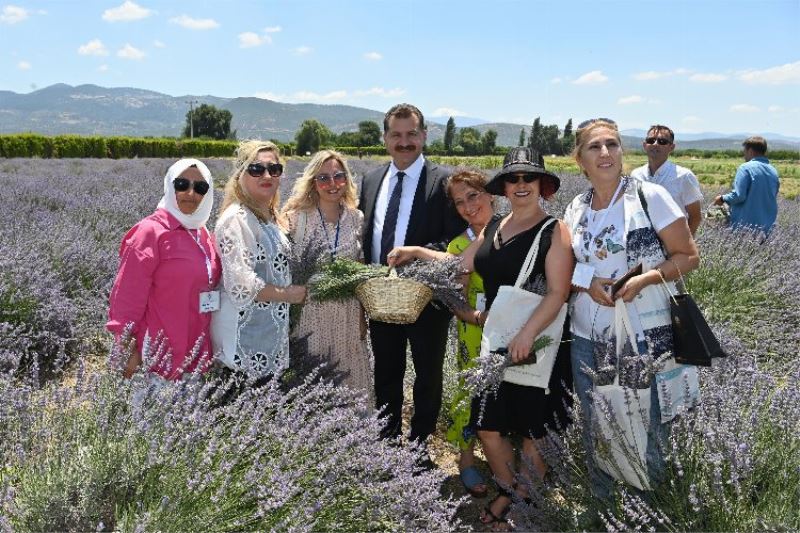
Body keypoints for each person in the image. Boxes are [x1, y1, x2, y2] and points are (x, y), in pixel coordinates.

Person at [388, 147, 574, 529]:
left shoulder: (554, 230)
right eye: (513, 179)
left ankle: (522, 500)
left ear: (542, 185)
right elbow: (459, 264)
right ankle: (509, 488)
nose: (520, 185)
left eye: (529, 178)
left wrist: (527, 334)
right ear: (503, 187)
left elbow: (558, 292)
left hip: (536, 343)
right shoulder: (496, 227)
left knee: (532, 431)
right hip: (497, 341)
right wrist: (416, 253)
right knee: (489, 426)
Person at [564, 118, 700, 496]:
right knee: (598, 424)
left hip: (641, 334)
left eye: (612, 144)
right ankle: (605, 504)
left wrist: (645, 279)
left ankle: (650, 505)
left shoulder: (649, 197)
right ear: (580, 160)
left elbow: (688, 256)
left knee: (646, 422)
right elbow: (565, 267)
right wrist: (586, 283)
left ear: (622, 151)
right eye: (595, 147)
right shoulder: (575, 208)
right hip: (586, 336)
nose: (605, 153)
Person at [358, 103, 465, 453]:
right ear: (385, 138)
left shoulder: (443, 182)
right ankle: (387, 446)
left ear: (423, 135)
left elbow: (457, 241)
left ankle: (419, 449)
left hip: (427, 300)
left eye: (411, 135)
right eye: (396, 135)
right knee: (386, 372)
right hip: (382, 296)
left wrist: (417, 252)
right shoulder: (372, 179)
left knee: (428, 375)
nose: (404, 142)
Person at [107, 158, 221, 380]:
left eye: (200, 187)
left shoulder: (203, 234)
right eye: (182, 184)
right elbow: (126, 297)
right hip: (153, 357)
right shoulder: (150, 232)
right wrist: (127, 348)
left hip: (194, 355)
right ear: (170, 185)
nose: (190, 193)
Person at [281, 149, 372, 401]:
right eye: (323, 178)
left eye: (339, 177)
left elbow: (360, 271)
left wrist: (363, 316)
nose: (332, 184)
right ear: (313, 182)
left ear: (347, 180)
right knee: (312, 384)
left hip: (347, 315)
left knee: (351, 384)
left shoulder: (356, 218)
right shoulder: (295, 219)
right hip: (311, 315)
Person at [211, 140, 306, 382]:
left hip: (268, 337)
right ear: (241, 173)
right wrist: (289, 295)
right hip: (244, 342)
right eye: (257, 169)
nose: (267, 175)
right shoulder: (238, 219)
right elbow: (241, 285)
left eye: (274, 169)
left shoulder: (268, 216)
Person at [442, 170, 495, 498]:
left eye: (473, 195)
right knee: (471, 392)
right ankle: (466, 460)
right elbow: (454, 299)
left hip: (518, 330)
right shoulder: (458, 244)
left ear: (490, 194)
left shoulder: (516, 232)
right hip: (475, 331)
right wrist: (477, 317)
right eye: (459, 202)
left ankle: (503, 457)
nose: (467, 205)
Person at [631, 124, 704, 236]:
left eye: (662, 141)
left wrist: (684, 244)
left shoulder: (684, 176)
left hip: (674, 245)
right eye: (651, 140)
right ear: (645, 145)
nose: (655, 144)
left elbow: (695, 217)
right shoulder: (636, 175)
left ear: (672, 147)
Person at [713, 135, 780, 234]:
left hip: (745, 227)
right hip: (766, 228)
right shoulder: (773, 170)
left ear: (750, 151)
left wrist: (722, 198)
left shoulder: (745, 168)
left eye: (745, 151)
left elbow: (739, 195)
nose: (744, 155)